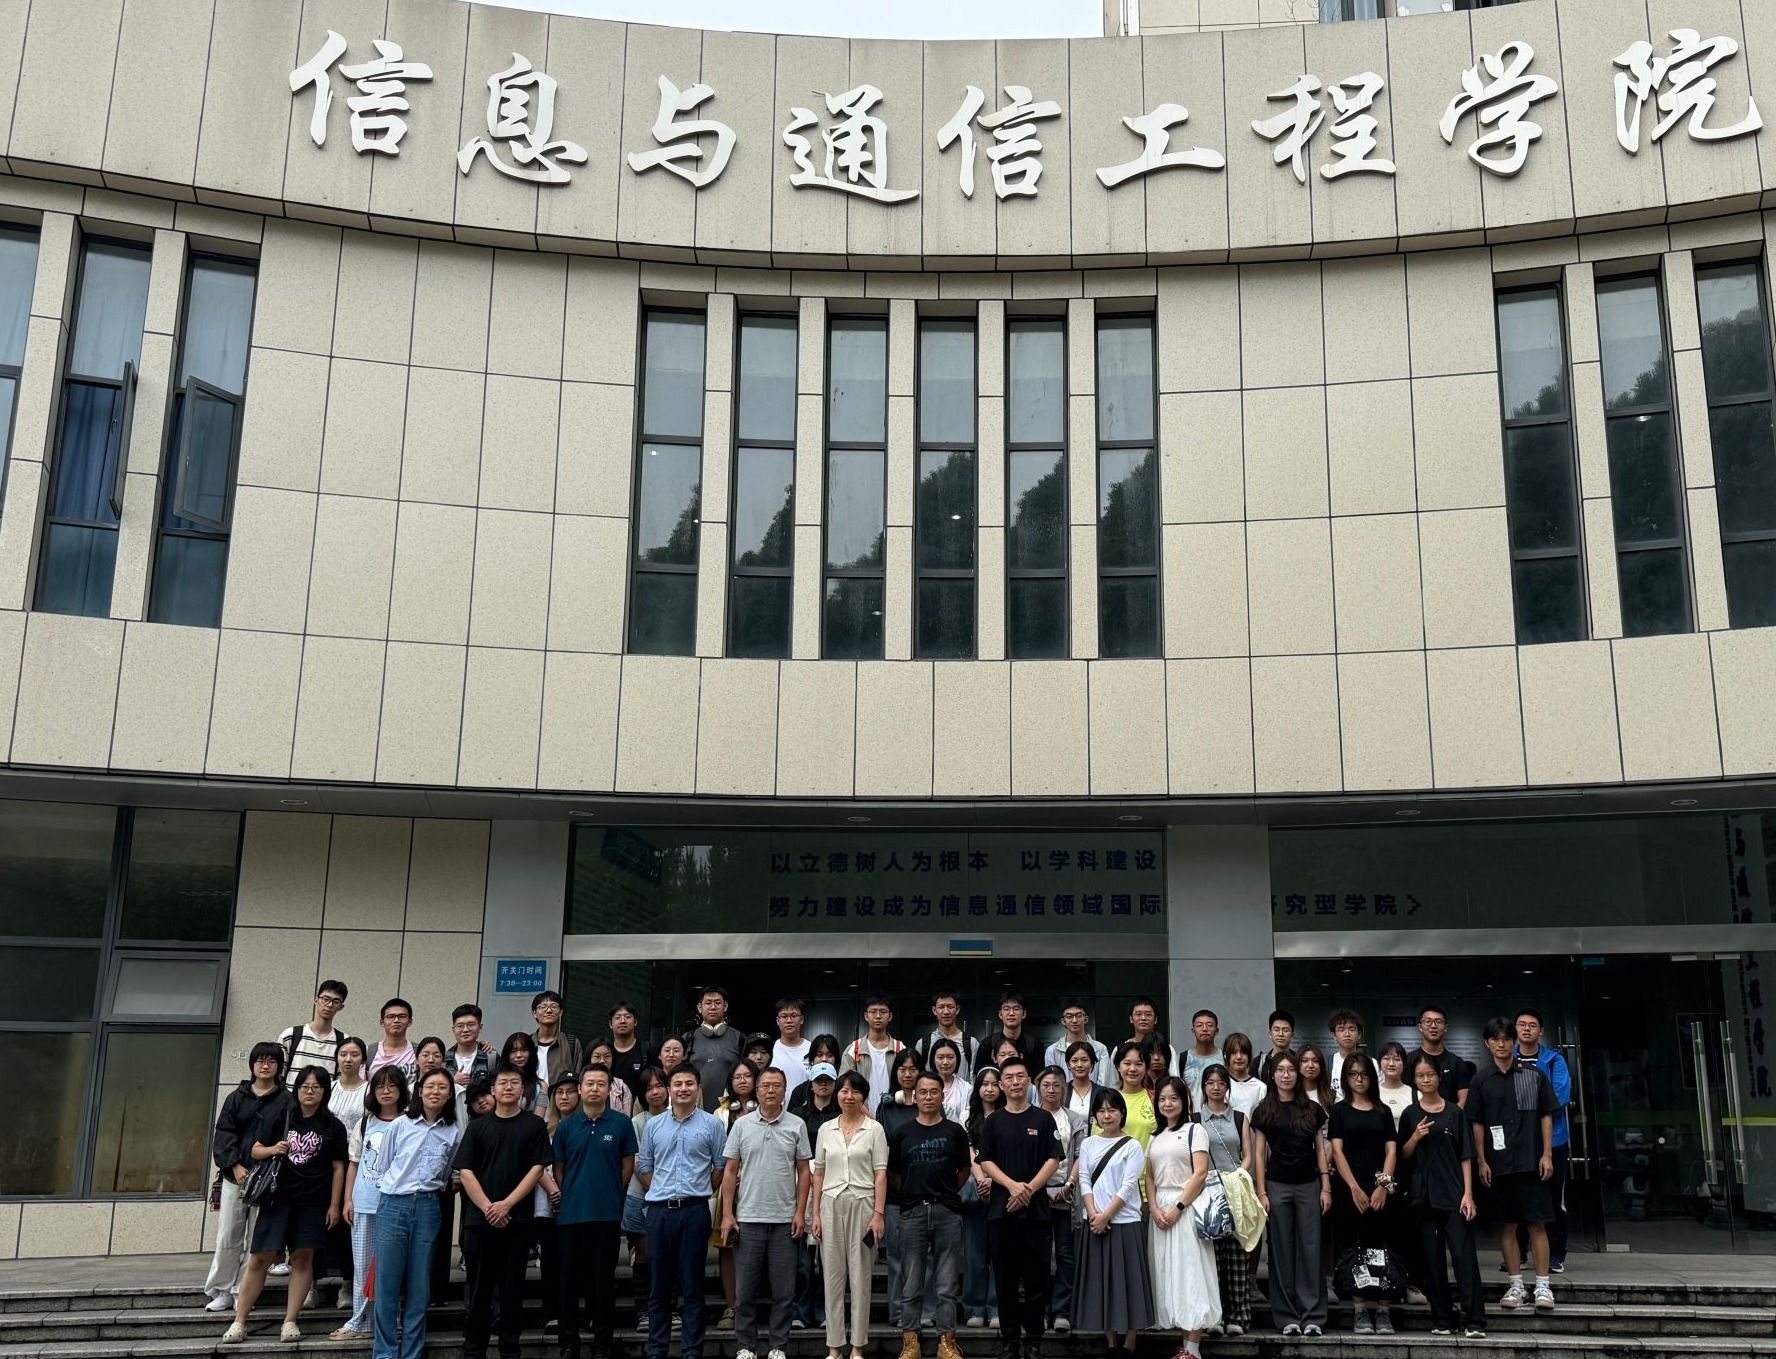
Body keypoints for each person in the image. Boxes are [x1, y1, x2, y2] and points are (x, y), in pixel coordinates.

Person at [221, 1065, 347, 1345]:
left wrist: (335, 1204)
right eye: (304, 1086)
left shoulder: (333, 1126)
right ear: (296, 1089)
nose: (309, 1092)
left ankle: (290, 1321)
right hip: (277, 1199)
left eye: (316, 1087)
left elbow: (339, 1167)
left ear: (325, 1091)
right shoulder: (281, 1116)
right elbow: (254, 1149)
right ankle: (239, 1321)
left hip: (313, 1201)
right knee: (260, 1258)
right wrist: (273, 1149)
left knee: (302, 1258)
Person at [455, 1065, 554, 1359]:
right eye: (502, 1083)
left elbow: (537, 1169)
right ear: (493, 1090)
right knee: (479, 1291)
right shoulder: (478, 1127)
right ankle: (474, 1350)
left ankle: (510, 1350)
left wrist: (506, 1205)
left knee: (512, 1291)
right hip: (479, 1221)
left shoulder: (533, 1126)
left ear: (522, 1089)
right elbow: (466, 1171)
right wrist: (489, 1208)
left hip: (518, 1221)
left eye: (514, 1082)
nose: (508, 1087)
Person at [722, 1065, 813, 1359]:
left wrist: (800, 1212)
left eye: (777, 1085)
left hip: (784, 1220)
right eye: (765, 1085)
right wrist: (728, 1214)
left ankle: (777, 1346)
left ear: (785, 1091)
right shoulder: (741, 1125)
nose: (771, 1090)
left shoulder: (797, 1125)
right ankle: (745, 1346)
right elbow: (730, 1170)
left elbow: (804, 1171)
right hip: (748, 1218)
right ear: (757, 1090)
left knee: (784, 1291)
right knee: (745, 1291)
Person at [1468, 1017, 1557, 1313]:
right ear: (1487, 1043)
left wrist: (1547, 1154)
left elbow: (1546, 1115)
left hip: (1531, 1161)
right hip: (1499, 1164)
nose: (1502, 1044)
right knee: (1507, 1226)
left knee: (1536, 1223)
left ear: (1514, 1041)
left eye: (1506, 1038)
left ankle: (1543, 1286)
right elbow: (1477, 1123)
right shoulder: (1481, 1080)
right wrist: (1481, 1160)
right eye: (1496, 1039)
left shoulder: (1533, 1075)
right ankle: (1516, 1285)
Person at [638, 1066, 728, 1359]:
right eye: (677, 1084)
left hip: (694, 1212)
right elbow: (644, 1166)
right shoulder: (654, 1125)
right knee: (659, 1287)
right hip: (659, 1213)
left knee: (692, 1286)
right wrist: (662, 1190)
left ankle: (692, 1352)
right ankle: (657, 1350)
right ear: (668, 1089)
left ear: (698, 1087)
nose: (683, 1089)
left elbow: (719, 1167)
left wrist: (698, 1189)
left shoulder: (712, 1125)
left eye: (690, 1083)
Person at [371, 1069, 462, 1359]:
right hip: (393, 1204)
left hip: (428, 1207)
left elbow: (446, 1174)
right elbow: (385, 1166)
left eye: (442, 1087)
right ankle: (385, 1352)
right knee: (387, 1282)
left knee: (420, 1284)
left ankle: (412, 1352)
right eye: (430, 1086)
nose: (436, 1092)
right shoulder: (400, 1124)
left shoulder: (452, 1131)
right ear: (420, 1091)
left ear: (450, 1094)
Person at [973, 1057, 1060, 1359]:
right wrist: (1012, 1186)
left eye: (1020, 1076)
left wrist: (1028, 1189)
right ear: (1001, 1084)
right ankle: (1010, 1340)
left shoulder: (1043, 1119)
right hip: (1002, 1211)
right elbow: (985, 1160)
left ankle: (1034, 1339)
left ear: (1029, 1080)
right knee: (1005, 1279)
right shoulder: (993, 1121)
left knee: (1037, 1279)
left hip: (1036, 1213)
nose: (1014, 1082)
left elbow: (1054, 1159)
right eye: (1008, 1077)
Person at [556, 1064, 639, 1359]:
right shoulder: (566, 1127)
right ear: (580, 1089)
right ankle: (569, 1343)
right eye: (589, 1083)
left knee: (603, 1281)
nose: (594, 1089)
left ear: (608, 1089)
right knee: (568, 1282)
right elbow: (559, 1169)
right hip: (571, 1215)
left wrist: (611, 1191)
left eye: (600, 1084)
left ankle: (603, 1342)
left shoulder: (621, 1124)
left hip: (606, 1215)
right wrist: (573, 1193)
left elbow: (627, 1165)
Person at [1399, 1053, 1485, 1339]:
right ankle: (1442, 1318)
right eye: (1420, 1076)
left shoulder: (1454, 1113)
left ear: (1439, 1077)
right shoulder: (1410, 1114)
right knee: (1432, 1260)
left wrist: (1468, 1194)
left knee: (1463, 1257)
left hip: (1454, 1194)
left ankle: (1474, 1320)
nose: (1426, 1080)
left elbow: (1466, 1155)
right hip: (1424, 1198)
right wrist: (1415, 1137)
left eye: (1430, 1075)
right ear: (1414, 1080)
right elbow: (1403, 1156)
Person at [889, 1072, 971, 1359]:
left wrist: (944, 1193)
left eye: (933, 1092)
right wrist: (913, 1193)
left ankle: (946, 1342)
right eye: (922, 1092)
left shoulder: (955, 1132)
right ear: (915, 1096)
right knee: (911, 1282)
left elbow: (964, 1171)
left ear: (942, 1095)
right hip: (912, 1212)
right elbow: (894, 1174)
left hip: (947, 1211)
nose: (927, 1097)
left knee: (947, 1285)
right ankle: (911, 1342)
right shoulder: (902, 1133)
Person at [204, 1043, 292, 1312]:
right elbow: (223, 1133)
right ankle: (221, 1290)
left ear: (279, 1067)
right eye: (260, 1060)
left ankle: (242, 1292)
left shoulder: (287, 1100)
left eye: (271, 1061)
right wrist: (234, 1165)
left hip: (268, 1181)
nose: (265, 1066)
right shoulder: (236, 1097)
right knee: (228, 1235)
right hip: (235, 1178)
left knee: (257, 1239)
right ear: (252, 1065)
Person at [1251, 1051, 1331, 1338]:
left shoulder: (1312, 1109)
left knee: (1311, 1248)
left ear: (1298, 1074)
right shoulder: (1264, 1110)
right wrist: (1261, 1191)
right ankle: (1286, 1316)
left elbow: (1320, 1150)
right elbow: (1259, 1154)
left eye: (1291, 1070)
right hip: (1276, 1185)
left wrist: (1325, 1186)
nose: (1286, 1075)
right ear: (1272, 1075)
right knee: (1281, 1250)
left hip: (1309, 1185)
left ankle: (1313, 1316)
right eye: (1281, 1070)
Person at [811, 1070, 888, 1359]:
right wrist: (815, 1214)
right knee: (832, 1279)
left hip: (863, 1204)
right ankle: (834, 1347)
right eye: (844, 1090)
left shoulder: (874, 1129)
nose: (849, 1096)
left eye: (855, 1091)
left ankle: (857, 1346)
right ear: (837, 1095)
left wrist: (878, 1214)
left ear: (863, 1096)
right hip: (830, 1204)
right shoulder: (826, 1129)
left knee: (860, 1278)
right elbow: (818, 1174)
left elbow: (880, 1174)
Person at [1074, 1089, 1154, 1355]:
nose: (1106, 1116)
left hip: (1124, 1221)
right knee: (1103, 1282)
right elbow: (1084, 1179)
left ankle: (1130, 1342)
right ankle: (1110, 1342)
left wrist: (1106, 1215)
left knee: (1129, 1282)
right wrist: (1093, 1213)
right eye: (1101, 1111)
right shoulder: (1088, 1144)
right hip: (1094, 1221)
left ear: (1122, 1113)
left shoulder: (1132, 1146)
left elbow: (1129, 1186)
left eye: (1112, 1110)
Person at [334, 1065, 408, 1342]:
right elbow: (354, 1163)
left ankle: (391, 1322)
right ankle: (359, 1321)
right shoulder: (364, 1123)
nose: (386, 1091)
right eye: (380, 1086)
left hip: (397, 1205)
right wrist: (347, 1200)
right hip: (364, 1204)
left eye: (392, 1086)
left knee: (391, 1267)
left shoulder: (410, 1122)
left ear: (401, 1090)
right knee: (363, 1266)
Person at [1147, 1076, 1219, 1356]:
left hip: (1187, 1206)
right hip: (1160, 1208)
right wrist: (1154, 1207)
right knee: (1169, 1272)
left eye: (1173, 1098)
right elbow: (1150, 1176)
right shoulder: (1155, 1136)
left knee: (1191, 1272)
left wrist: (1177, 1207)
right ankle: (1184, 1342)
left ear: (1185, 1101)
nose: (1168, 1104)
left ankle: (1193, 1347)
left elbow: (1200, 1173)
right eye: (1163, 1099)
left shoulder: (1195, 1130)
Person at [1328, 1053, 1398, 1335]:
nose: (1359, 1079)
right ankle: (1360, 1309)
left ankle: (1383, 1309)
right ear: (1345, 1078)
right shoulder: (1339, 1110)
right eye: (1353, 1074)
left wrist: (1382, 1186)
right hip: (1349, 1189)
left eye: (1364, 1074)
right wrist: (1354, 1187)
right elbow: (1337, 1151)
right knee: (1354, 1247)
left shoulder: (1383, 1111)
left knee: (1381, 1247)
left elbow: (1391, 1151)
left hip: (1381, 1188)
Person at [1515, 1009, 1573, 1273]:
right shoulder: (1508, 1058)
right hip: (1519, 1142)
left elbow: (1559, 1096)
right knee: (1518, 1197)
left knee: (1552, 1199)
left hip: (1554, 1141)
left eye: (1532, 1025)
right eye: (1521, 1024)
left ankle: (1555, 1255)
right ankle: (1519, 1254)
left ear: (1540, 1031)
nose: (1526, 1029)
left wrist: (1525, 1111)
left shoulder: (1554, 1060)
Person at [1196, 1064, 1252, 1337]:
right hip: (1207, 1194)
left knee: (1237, 1256)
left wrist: (1238, 1176)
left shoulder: (1239, 1118)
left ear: (1227, 1087)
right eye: (1210, 1083)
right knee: (1212, 1258)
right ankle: (1215, 1316)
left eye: (1220, 1082)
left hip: (1235, 1191)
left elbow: (1248, 1154)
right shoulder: (1195, 1119)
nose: (1215, 1087)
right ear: (1204, 1087)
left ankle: (1239, 1317)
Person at [1035, 1066, 1084, 1335]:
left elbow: (1079, 1155)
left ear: (1064, 1089)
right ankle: (1040, 1310)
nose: (1051, 1090)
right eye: (1046, 1085)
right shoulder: (1030, 1116)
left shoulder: (1074, 1119)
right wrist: (1037, 1188)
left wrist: (1070, 1184)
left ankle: (1062, 1310)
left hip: (1066, 1192)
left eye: (1056, 1085)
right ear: (1038, 1088)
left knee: (1065, 1252)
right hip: (1036, 1194)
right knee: (1039, 1254)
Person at [319, 1036, 370, 1293]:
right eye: (343, 1054)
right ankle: (311, 1283)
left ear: (363, 1060)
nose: (348, 1059)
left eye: (354, 1054)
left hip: (355, 1164)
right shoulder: (327, 1088)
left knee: (349, 1222)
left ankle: (348, 1284)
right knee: (321, 1221)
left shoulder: (369, 1090)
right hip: (324, 1165)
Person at [714, 1061, 763, 1331]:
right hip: (729, 1185)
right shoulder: (721, 1114)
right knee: (728, 1245)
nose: (742, 1080)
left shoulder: (768, 1108)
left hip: (760, 1185)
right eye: (737, 1077)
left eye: (747, 1076)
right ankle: (731, 1306)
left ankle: (752, 1306)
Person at [624, 1068, 669, 1334]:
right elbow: (638, 1162)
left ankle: (670, 1308)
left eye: (659, 1086)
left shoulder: (678, 1117)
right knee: (643, 1254)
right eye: (649, 1088)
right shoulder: (637, 1122)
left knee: (670, 1253)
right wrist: (656, 1190)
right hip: (641, 1196)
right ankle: (644, 1310)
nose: (655, 1092)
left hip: (672, 1198)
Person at [537, 1072, 580, 1336]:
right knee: (550, 1260)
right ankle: (552, 1313)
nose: (564, 1097)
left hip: (577, 1204)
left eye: (570, 1091)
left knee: (575, 1260)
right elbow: (537, 1164)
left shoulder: (584, 1125)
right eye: (559, 1093)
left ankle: (575, 1313)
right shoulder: (544, 1130)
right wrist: (553, 1190)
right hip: (547, 1203)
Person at [960, 1067, 1000, 1331]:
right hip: (975, 1191)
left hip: (1002, 1189)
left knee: (1000, 1253)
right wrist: (980, 1179)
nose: (989, 1089)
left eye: (994, 1084)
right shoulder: (967, 1116)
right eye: (984, 1084)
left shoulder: (1008, 1114)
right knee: (974, 1254)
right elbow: (969, 1151)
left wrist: (993, 1180)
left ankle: (997, 1307)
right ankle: (974, 1307)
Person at [685, 986, 746, 1112]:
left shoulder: (739, 1039)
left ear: (725, 1006)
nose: (713, 1007)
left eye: (718, 1003)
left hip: (731, 1110)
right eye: (708, 1003)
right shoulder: (688, 1039)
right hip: (694, 1110)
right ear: (700, 1007)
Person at [278, 980, 351, 1085]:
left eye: (336, 1001)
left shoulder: (344, 1042)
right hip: (290, 1095)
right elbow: (278, 1076)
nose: (329, 1005)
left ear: (341, 1007)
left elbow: (341, 1082)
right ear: (316, 1000)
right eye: (325, 999)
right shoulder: (290, 1035)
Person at [842, 996, 908, 1110]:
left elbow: (909, 1086)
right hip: (861, 1114)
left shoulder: (900, 1049)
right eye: (873, 1012)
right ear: (866, 1016)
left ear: (890, 1016)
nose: (878, 1016)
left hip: (895, 1112)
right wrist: (866, 1114)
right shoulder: (854, 1049)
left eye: (883, 1012)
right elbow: (844, 1087)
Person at [1407, 1005, 1473, 1109]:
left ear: (1445, 1027)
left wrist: (1451, 1117)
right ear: (1420, 1026)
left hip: (1451, 1118)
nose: (1433, 1026)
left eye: (1438, 1022)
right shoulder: (1409, 1060)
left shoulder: (1456, 1062)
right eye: (1428, 1021)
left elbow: (1463, 1099)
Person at [915, 990, 981, 1078]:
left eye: (950, 1007)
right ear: (934, 1010)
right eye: (941, 1007)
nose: (946, 1012)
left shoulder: (971, 1043)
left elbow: (975, 1077)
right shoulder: (923, 1044)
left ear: (957, 1009)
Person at [529, 991, 584, 1087]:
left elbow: (578, 1078)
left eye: (554, 1006)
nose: (549, 1011)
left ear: (561, 1012)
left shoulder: (571, 1043)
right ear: (534, 1013)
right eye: (543, 1007)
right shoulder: (527, 1043)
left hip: (562, 1096)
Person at [1110, 1042, 1157, 1149]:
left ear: (1146, 1068)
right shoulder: (1109, 1100)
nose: (1132, 1069)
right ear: (1118, 1067)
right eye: (1127, 1063)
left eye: (1138, 1064)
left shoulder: (1156, 1099)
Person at [608, 1003, 655, 1101]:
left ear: (635, 1022)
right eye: (617, 1017)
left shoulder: (647, 1050)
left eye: (627, 1017)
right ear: (610, 1024)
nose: (622, 1021)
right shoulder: (605, 1051)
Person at [984, 993, 1041, 1070]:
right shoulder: (988, 1044)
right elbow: (980, 1075)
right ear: (1000, 1014)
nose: (1011, 1013)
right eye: (1006, 1009)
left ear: (1024, 1014)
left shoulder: (1034, 1045)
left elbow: (1039, 1076)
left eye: (1016, 1009)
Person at [368, 998, 419, 1081]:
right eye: (390, 1017)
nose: (396, 1020)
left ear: (410, 1022)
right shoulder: (369, 1053)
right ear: (382, 1022)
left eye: (402, 1016)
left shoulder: (419, 1052)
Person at [451, 1004, 494, 1101]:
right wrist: (452, 1081)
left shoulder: (491, 1057)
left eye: (471, 1025)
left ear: (480, 1027)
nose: (465, 1030)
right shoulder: (444, 1059)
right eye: (460, 1026)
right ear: (453, 1030)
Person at [773, 997, 814, 1100]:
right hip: (776, 1109)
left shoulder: (812, 1049)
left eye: (794, 1015)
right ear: (778, 1020)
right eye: (784, 1016)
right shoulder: (770, 1050)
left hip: (805, 1108)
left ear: (802, 1019)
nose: (789, 1020)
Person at [1129, 997, 1179, 1075]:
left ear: (1155, 1019)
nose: (1143, 1018)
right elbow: (1113, 1080)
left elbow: (1174, 1077)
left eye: (1148, 1014)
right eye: (1138, 1014)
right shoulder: (1122, 1049)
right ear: (1131, 1019)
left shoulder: (1167, 1048)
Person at [1181, 1010, 1221, 1106]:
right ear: (1193, 1030)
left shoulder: (1225, 1058)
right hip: (1190, 1113)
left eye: (1210, 1025)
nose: (1204, 1029)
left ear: (1217, 1030)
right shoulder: (1182, 1059)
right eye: (1199, 1025)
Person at [499, 1032, 544, 1114]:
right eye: (513, 1051)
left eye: (524, 1050)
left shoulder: (540, 1086)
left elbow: (539, 1119)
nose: (519, 1055)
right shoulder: (497, 1081)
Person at [587, 1041, 636, 1116]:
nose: (602, 1061)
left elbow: (626, 1118)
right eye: (597, 1057)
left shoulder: (622, 1087)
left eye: (607, 1056)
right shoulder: (582, 1084)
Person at [1326, 1010, 1366, 1103]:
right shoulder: (1327, 1064)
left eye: (1352, 1029)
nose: (1347, 1034)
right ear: (1334, 1035)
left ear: (1359, 1034)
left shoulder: (1371, 1063)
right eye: (1341, 1029)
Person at [1222, 1035, 1264, 1118]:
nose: (1239, 1057)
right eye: (1234, 1053)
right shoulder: (1219, 1085)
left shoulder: (1261, 1088)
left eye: (1243, 1053)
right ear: (1225, 1055)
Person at [930, 1038, 971, 1123]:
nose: (945, 1062)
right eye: (940, 1057)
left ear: (957, 1059)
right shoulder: (925, 1085)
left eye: (950, 1057)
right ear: (933, 1060)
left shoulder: (967, 1089)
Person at [1063, 1042, 1102, 1123]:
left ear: (1092, 1063)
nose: (1079, 1065)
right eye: (1074, 1061)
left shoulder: (1102, 1092)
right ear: (1068, 1064)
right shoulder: (1062, 1091)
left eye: (1084, 1060)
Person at [1377, 1042, 1414, 1128]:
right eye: (1386, 1058)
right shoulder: (1372, 1093)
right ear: (1379, 1063)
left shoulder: (1416, 1095)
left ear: (1404, 1064)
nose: (1391, 1064)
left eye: (1397, 1059)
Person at [1256, 1010, 1295, 1084]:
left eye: (1285, 1030)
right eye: (1276, 1030)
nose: (1280, 1034)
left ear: (1292, 1035)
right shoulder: (1259, 1063)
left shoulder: (1299, 1060)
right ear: (1270, 1034)